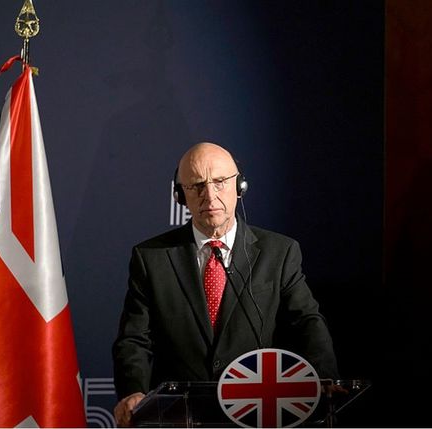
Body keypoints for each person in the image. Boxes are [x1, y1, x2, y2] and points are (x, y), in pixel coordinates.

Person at [112, 142, 339, 427]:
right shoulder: (151, 258)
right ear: (180, 196)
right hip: (179, 416)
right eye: (197, 186)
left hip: (256, 412)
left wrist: (322, 377)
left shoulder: (279, 252)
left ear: (239, 186)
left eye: (219, 182)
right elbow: (135, 339)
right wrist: (133, 391)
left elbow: (306, 321)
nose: (210, 196)